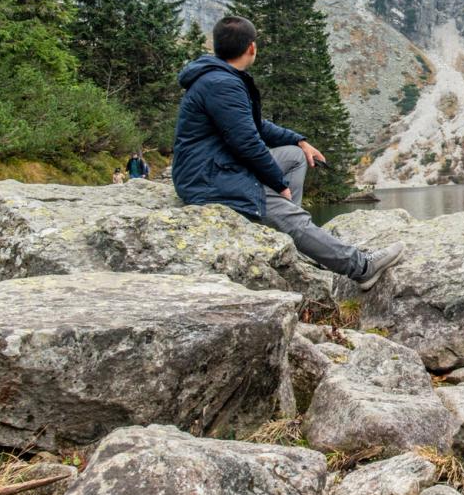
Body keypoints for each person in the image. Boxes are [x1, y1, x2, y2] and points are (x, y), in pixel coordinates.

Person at [172, 16, 403, 290]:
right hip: (210, 179)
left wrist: (299, 140)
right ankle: (361, 268)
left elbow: (255, 127)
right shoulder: (222, 84)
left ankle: (297, 239)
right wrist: (278, 184)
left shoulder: (220, 78)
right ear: (251, 48)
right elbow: (247, 142)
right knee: (290, 213)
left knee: (295, 156)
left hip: (219, 167)